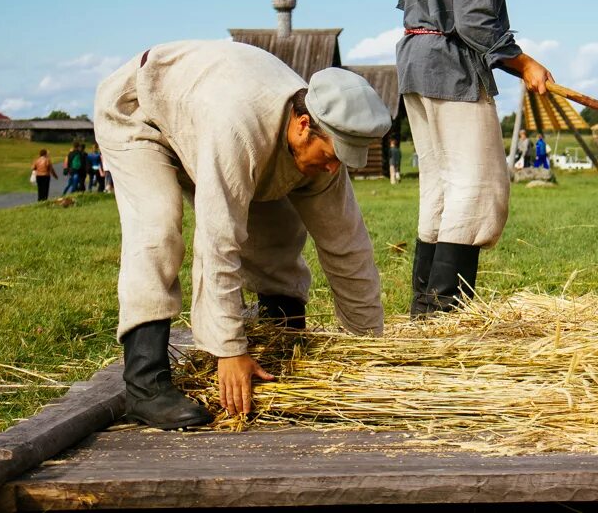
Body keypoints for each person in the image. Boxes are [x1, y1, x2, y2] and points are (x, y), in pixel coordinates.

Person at [94, 40, 392, 430]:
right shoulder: (237, 126)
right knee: (157, 228)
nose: (335, 169)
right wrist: (229, 350)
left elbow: (348, 248)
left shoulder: (322, 136)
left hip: (214, 117)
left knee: (279, 234)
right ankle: (146, 385)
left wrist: (367, 350)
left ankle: (280, 341)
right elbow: (217, 241)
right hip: (141, 113)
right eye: (333, 156)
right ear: (304, 126)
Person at [394, 0, 554, 317]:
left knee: (439, 183)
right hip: (452, 67)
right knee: (476, 185)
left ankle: (423, 308)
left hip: (414, 61)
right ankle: (445, 311)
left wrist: (428, 8)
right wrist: (523, 63)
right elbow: (475, 21)